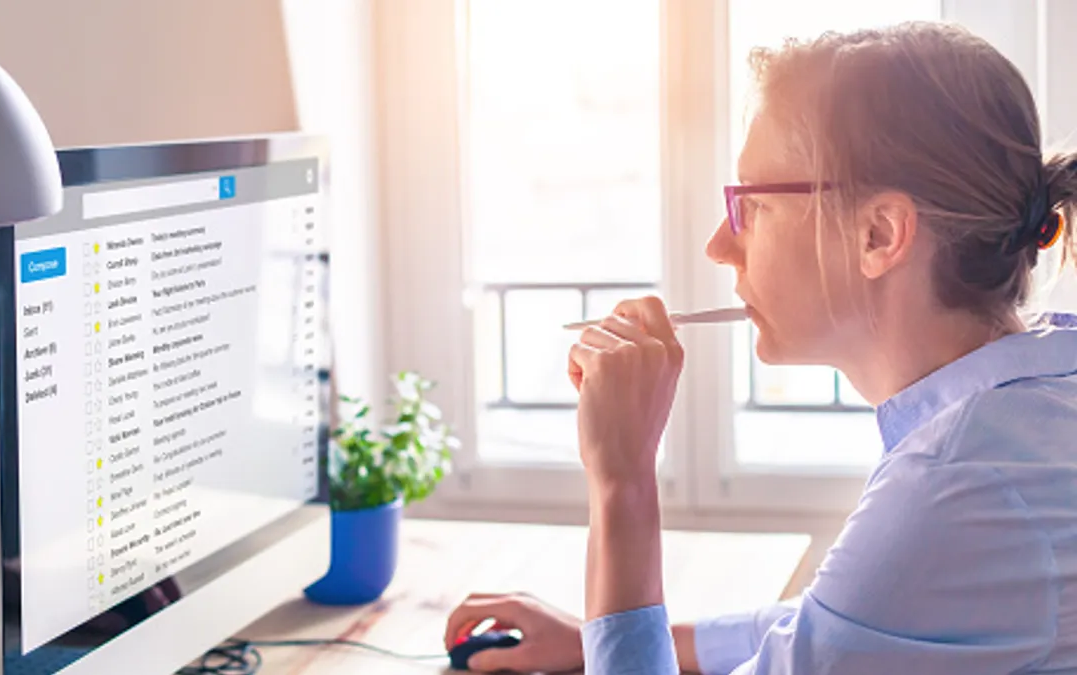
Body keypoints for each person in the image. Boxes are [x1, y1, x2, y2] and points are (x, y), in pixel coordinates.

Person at [445, 21, 1077, 674]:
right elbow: (834, 622)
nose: (720, 244)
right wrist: (595, 639)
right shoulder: (1030, 409)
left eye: (753, 205)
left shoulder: (957, 484)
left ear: (879, 234)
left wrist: (623, 478)